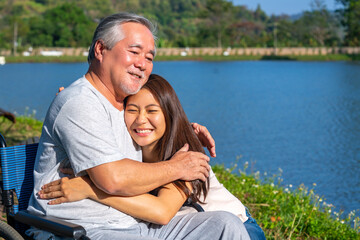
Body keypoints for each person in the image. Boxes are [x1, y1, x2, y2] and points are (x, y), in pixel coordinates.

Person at [27, 12, 251, 239]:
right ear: (100, 50)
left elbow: (158, 118)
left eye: (149, 58)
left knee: (226, 224)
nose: (142, 64)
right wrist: (177, 167)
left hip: (135, 224)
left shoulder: (122, 104)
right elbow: (113, 179)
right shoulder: (80, 102)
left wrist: (188, 128)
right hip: (85, 228)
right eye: (134, 52)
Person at [39, 74, 266, 239]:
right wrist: (72, 103)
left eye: (152, 110)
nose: (140, 120)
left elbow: (161, 211)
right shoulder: (129, 142)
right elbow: (92, 118)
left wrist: (91, 188)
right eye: (132, 110)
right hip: (183, 227)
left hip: (235, 227)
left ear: (168, 114)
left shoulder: (185, 153)